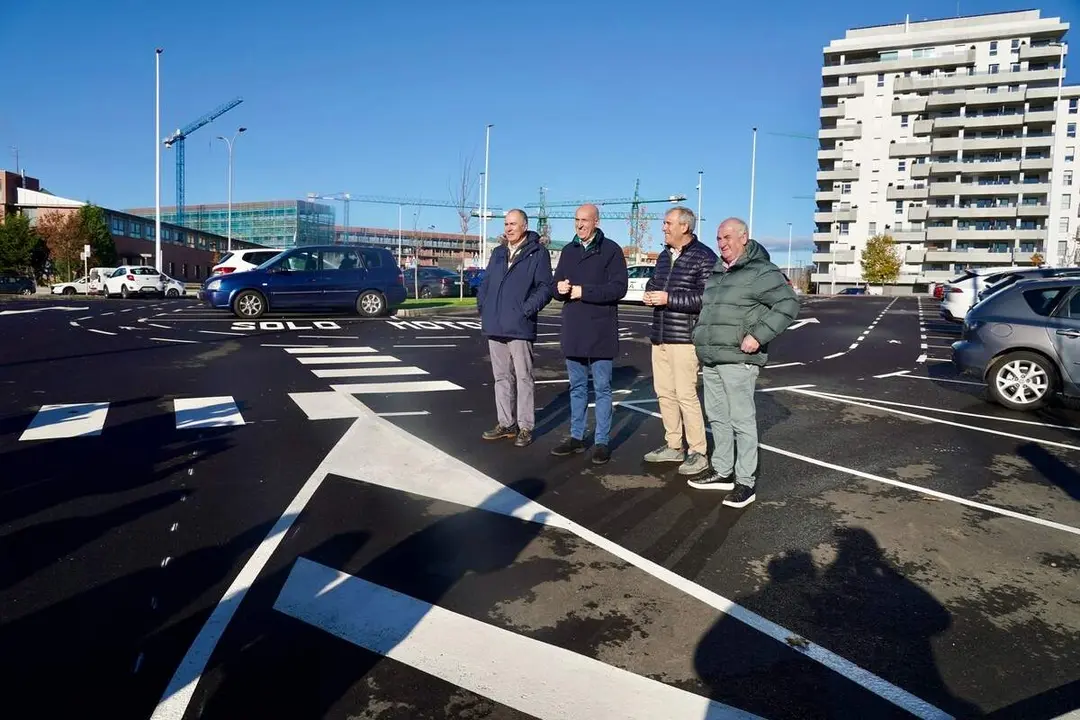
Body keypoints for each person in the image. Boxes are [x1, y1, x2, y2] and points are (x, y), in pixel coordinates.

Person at [690, 217, 799, 508]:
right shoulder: (717, 272)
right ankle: (722, 470)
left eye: (727, 237)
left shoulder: (760, 271)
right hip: (712, 357)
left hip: (739, 359)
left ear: (744, 238)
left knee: (741, 421)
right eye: (718, 238)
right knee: (718, 418)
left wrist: (758, 335)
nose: (722, 243)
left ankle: (745, 482)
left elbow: (788, 303)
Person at [549, 203, 628, 465]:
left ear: (596, 221)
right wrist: (558, 288)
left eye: (584, 220)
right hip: (574, 330)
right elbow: (555, 285)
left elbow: (619, 288)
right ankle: (576, 437)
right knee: (577, 388)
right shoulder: (568, 251)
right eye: (576, 220)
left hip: (600, 331)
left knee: (603, 388)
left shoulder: (611, 250)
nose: (579, 225)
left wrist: (585, 292)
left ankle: (602, 441)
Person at [642, 206, 717, 476]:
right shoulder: (664, 256)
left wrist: (668, 299)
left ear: (684, 227)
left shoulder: (704, 257)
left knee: (686, 395)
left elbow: (708, 299)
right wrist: (651, 293)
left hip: (685, 338)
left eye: (667, 223)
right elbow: (655, 283)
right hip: (660, 334)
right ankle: (674, 445)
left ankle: (698, 451)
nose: (663, 227)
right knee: (664, 392)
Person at [477, 209, 554, 447]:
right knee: (501, 377)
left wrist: (525, 310)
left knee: (523, 377)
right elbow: (487, 282)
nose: (508, 228)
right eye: (506, 224)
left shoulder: (537, 253)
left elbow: (545, 288)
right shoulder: (499, 252)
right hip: (495, 323)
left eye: (513, 224)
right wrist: (484, 305)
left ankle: (525, 426)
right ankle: (506, 423)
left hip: (519, 325)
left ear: (524, 226)